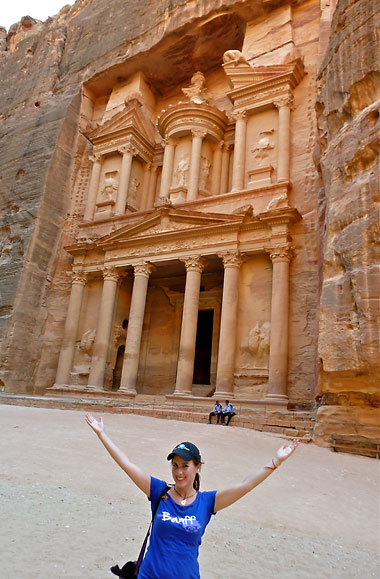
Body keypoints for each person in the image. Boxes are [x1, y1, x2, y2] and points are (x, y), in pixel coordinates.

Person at [85, 413, 299, 579]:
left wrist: (275, 462)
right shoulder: (159, 492)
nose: (179, 472)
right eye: (175, 465)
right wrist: (102, 435)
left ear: (197, 467)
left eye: (185, 466)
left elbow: (246, 485)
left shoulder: (207, 502)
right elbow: (127, 464)